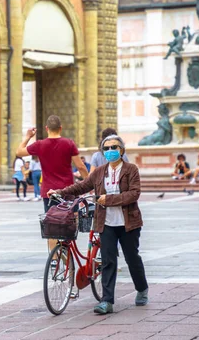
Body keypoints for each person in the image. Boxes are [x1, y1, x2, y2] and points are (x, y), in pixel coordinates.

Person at [48, 135, 148, 315]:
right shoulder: (100, 171)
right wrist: (59, 192)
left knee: (132, 257)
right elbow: (82, 186)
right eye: (107, 148)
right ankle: (107, 301)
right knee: (108, 261)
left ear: (121, 150)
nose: (110, 151)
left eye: (114, 147)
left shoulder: (131, 169)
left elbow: (134, 194)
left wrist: (108, 199)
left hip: (128, 223)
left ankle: (142, 289)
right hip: (106, 222)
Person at [17, 115, 88, 212]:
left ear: (47, 128)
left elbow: (19, 152)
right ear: (61, 128)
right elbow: (81, 166)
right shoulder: (69, 143)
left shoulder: (39, 145)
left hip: (48, 192)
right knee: (71, 221)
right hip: (69, 190)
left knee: (52, 222)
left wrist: (28, 136)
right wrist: (89, 184)